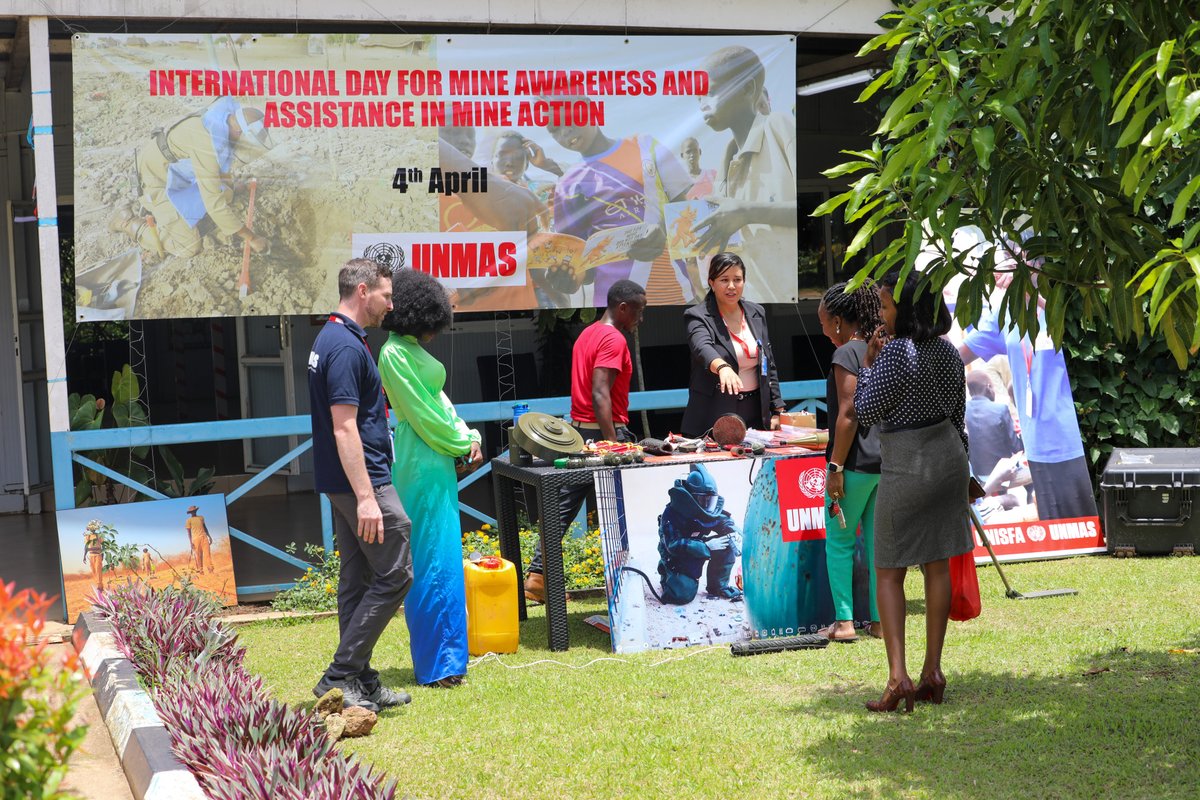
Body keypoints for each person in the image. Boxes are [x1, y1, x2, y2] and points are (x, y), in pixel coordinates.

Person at [854, 270, 973, 712]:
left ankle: (898, 678)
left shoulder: (896, 353)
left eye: (885, 306)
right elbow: (959, 416)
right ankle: (933, 672)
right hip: (949, 461)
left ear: (906, 309)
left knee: (889, 570)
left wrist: (867, 366)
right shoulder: (947, 351)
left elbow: (865, 410)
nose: (882, 315)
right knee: (936, 565)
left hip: (907, 464)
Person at [308, 257, 413, 712]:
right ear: (364, 290)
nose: (391, 305)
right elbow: (345, 427)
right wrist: (368, 497)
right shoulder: (347, 348)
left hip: (345, 481)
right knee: (396, 571)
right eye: (387, 296)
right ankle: (341, 674)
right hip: (361, 482)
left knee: (359, 579)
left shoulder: (333, 337)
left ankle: (362, 681)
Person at [378, 268, 484, 688]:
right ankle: (438, 665)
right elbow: (422, 415)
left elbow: (439, 403)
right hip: (420, 459)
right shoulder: (393, 354)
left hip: (436, 456)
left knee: (444, 557)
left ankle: (450, 660)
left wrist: (469, 435)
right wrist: (462, 442)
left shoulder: (408, 348)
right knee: (429, 559)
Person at [523, 280, 646, 602]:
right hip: (606, 432)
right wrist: (611, 445)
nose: (641, 319)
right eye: (639, 311)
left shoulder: (587, 334)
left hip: (579, 433)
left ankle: (537, 576)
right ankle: (636, 581)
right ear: (623, 308)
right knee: (633, 508)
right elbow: (600, 391)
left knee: (563, 507)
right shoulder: (613, 338)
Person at [547, 100, 696, 305]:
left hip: (674, 293)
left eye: (571, 118)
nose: (565, 131)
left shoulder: (645, 146)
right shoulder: (568, 185)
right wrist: (572, 277)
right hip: (615, 305)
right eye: (554, 129)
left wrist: (663, 232)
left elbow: (685, 210)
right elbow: (583, 265)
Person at [695, 46, 797, 304]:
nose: (702, 102)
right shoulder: (726, 160)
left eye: (711, 91)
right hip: (747, 301)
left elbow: (815, 211)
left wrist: (748, 212)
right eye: (698, 96)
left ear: (747, 89)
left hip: (785, 296)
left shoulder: (779, 127)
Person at [111, 96, 272, 259]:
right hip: (154, 181)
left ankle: (167, 213)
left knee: (227, 193)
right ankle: (129, 223)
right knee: (189, 247)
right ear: (239, 132)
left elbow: (218, 165)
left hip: (176, 176)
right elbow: (214, 206)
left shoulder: (221, 122)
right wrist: (252, 238)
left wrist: (229, 184)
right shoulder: (207, 143)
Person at [816, 281, 883, 642]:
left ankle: (843, 623)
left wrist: (835, 468)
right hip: (884, 464)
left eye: (824, 321)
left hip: (853, 465)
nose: (823, 329)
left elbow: (848, 414)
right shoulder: (881, 348)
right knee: (877, 546)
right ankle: (879, 621)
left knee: (840, 542)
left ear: (840, 321)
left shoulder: (846, 355)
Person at [681, 252, 783, 436]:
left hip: (756, 413)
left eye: (737, 279)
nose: (731, 286)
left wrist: (777, 409)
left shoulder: (756, 312)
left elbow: (769, 362)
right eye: (724, 280)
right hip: (714, 414)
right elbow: (702, 347)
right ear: (711, 283)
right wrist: (722, 367)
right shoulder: (696, 315)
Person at [656, 463, 743, 604]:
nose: (708, 505)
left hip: (699, 547)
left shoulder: (708, 509)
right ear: (691, 497)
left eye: (711, 501)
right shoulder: (671, 513)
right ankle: (666, 574)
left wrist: (733, 532)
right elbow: (673, 545)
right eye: (704, 500)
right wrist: (706, 546)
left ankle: (718, 586)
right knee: (681, 596)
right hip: (678, 556)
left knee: (726, 543)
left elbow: (723, 520)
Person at [965, 370, 1022, 482]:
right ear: (989, 387)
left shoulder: (963, 411)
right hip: (1003, 475)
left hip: (976, 476)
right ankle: (1030, 497)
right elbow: (1017, 447)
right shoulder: (1000, 409)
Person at [185, 505, 214, 574]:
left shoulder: (201, 517)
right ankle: (200, 570)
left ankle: (210, 569)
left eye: (194, 511)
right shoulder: (189, 520)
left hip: (204, 537)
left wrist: (209, 536)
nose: (193, 512)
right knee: (198, 555)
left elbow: (205, 527)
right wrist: (191, 543)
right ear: (190, 512)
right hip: (195, 539)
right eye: (192, 511)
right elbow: (189, 533)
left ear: (196, 511)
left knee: (207, 554)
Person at [83, 520, 104, 592]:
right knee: (94, 571)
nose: (92, 529)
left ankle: (99, 586)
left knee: (98, 571)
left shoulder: (99, 535)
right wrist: (84, 556)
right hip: (91, 555)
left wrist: (103, 554)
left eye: (93, 527)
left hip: (98, 555)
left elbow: (103, 545)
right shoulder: (87, 536)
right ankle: (99, 585)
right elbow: (86, 546)